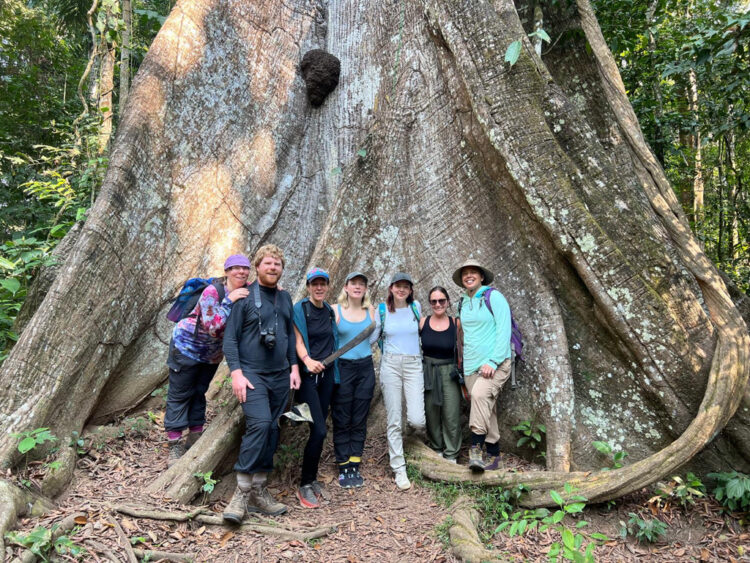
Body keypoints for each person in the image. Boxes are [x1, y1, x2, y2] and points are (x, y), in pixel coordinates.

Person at [222, 245, 300, 522]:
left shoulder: (285, 297)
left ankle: (259, 490)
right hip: (252, 375)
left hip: (280, 375)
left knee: (273, 429)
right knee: (260, 424)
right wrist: (236, 373)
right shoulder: (244, 297)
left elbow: (289, 336)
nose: (273, 267)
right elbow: (230, 339)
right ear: (257, 267)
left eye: (277, 264)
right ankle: (241, 492)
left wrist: (293, 367)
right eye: (268, 263)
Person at [164, 254, 250, 466]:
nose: (241, 271)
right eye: (235, 268)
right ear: (227, 271)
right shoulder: (213, 292)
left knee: (199, 392)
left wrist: (278, 291)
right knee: (179, 394)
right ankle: (174, 445)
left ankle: (195, 436)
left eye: (245, 268)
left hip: (211, 356)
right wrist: (229, 301)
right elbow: (213, 327)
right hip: (186, 348)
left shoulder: (248, 290)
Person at [453, 259, 512, 472]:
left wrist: (493, 361)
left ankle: (476, 450)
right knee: (486, 407)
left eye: (473, 272)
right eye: (465, 273)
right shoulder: (462, 302)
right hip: (471, 365)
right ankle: (495, 457)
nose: (469, 276)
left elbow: (504, 330)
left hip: (496, 363)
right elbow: (462, 334)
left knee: (479, 396)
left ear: (481, 276)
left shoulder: (494, 297)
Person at [291, 267, 339, 509]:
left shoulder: (329, 310)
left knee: (320, 429)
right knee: (319, 430)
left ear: (328, 286)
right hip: (309, 377)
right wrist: (307, 361)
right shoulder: (301, 309)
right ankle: (304, 484)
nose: (319, 287)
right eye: (314, 284)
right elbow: (298, 341)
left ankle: (312, 479)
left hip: (327, 376)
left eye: (323, 283)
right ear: (308, 286)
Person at [375, 272, 425, 491]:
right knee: (394, 419)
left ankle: (413, 445)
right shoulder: (382, 310)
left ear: (411, 290)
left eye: (406, 286)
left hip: (414, 364)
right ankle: (399, 468)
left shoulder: (416, 308)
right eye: (398, 286)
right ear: (391, 288)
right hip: (391, 365)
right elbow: (372, 337)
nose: (401, 289)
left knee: (417, 420)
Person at [332, 272, 378, 489]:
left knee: (359, 416)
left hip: (365, 367)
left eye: (361, 284)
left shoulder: (371, 311)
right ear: (346, 287)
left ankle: (355, 464)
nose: (358, 287)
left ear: (366, 289)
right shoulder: (335, 310)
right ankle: (343, 465)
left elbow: (373, 338)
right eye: (354, 284)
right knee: (342, 416)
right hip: (342, 367)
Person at [419, 286, 462, 464]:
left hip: (449, 371)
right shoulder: (422, 322)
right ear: (430, 303)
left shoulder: (455, 323)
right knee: (431, 412)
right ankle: (436, 449)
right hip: (428, 371)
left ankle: (451, 453)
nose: (438, 304)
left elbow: (462, 348)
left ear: (448, 301)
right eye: (434, 301)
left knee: (451, 413)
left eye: (441, 300)